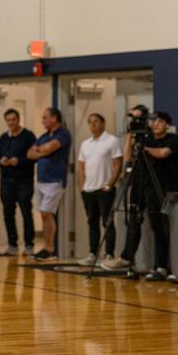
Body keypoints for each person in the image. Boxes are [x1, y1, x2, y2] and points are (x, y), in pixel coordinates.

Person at [105, 111, 178, 282]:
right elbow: (128, 158)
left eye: (161, 121)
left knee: (164, 227)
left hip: (165, 188)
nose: (157, 124)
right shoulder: (146, 140)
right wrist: (130, 136)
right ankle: (143, 263)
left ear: (167, 125)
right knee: (145, 224)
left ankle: (169, 267)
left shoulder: (172, 139)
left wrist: (144, 149)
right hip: (146, 187)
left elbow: (163, 153)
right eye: (154, 121)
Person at [75, 113, 122, 266]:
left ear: (103, 123)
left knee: (107, 222)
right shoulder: (85, 144)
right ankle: (92, 254)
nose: (93, 124)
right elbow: (81, 167)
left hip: (105, 190)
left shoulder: (111, 141)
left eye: (96, 121)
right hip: (88, 190)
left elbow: (118, 164)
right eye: (90, 122)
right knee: (92, 222)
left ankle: (109, 254)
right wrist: (82, 188)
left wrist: (110, 184)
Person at [27, 107, 72, 261]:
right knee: (43, 214)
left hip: (55, 180)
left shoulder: (63, 134)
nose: (42, 121)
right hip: (41, 180)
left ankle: (50, 249)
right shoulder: (44, 136)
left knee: (47, 212)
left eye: (45, 117)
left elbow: (49, 148)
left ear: (54, 118)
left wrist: (41, 150)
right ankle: (47, 248)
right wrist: (42, 150)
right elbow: (30, 154)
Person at [0, 109, 37, 256]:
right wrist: (1, 161)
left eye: (14, 119)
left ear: (18, 119)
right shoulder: (3, 138)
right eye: (8, 120)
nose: (11, 122)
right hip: (6, 181)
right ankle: (12, 244)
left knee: (26, 212)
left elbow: (34, 157)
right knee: (8, 213)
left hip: (24, 181)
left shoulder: (28, 136)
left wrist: (19, 161)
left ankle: (29, 244)